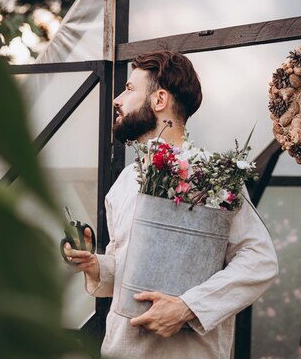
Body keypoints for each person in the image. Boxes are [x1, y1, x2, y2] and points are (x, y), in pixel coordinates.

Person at [64, 50, 278, 359]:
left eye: (129, 89)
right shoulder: (124, 182)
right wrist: (96, 266)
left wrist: (187, 307)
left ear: (159, 100)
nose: (117, 100)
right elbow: (129, 271)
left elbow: (260, 260)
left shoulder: (210, 178)